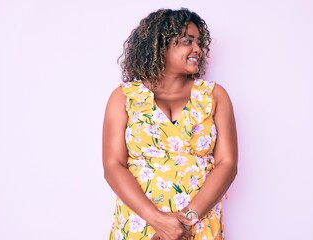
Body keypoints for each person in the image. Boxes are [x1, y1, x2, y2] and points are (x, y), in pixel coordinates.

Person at [102, 8, 238, 240]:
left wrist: (186, 221)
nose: (197, 49)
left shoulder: (214, 95)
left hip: (199, 222)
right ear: (160, 46)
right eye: (187, 41)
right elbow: (113, 166)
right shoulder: (124, 96)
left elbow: (228, 164)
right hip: (140, 223)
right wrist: (158, 221)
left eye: (199, 42)